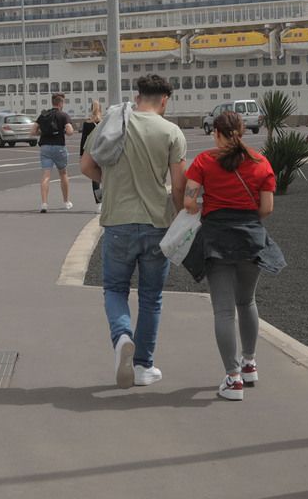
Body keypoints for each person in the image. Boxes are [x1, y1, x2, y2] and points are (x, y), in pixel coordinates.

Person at [81, 74, 187, 389]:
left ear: (137, 95)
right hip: (157, 223)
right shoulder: (171, 132)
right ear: (164, 100)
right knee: (151, 297)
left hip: (117, 223)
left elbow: (87, 166)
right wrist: (180, 215)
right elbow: (179, 184)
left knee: (115, 289)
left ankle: (122, 335)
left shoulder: (112, 123)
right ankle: (143, 366)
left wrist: (111, 182)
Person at [182, 110, 282, 402]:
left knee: (224, 311)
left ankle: (233, 377)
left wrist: (205, 205)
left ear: (216, 133)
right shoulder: (261, 163)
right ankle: (250, 364)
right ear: (243, 130)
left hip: (216, 241)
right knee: (247, 300)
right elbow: (267, 209)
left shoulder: (203, 162)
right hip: (251, 239)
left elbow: (189, 201)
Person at [32, 93, 75, 212]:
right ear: (61, 103)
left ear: (52, 102)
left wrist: (44, 133)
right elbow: (70, 131)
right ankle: (66, 202)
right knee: (63, 174)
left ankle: (44, 204)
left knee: (46, 176)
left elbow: (33, 131)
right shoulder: (63, 115)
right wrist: (64, 131)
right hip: (59, 147)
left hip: (45, 147)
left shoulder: (43, 115)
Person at [79, 100, 104, 212]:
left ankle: (99, 203)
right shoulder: (104, 122)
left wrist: (81, 155)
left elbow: (83, 140)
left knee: (95, 179)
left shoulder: (87, 123)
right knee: (107, 176)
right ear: (101, 109)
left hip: (92, 152)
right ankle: (108, 201)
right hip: (103, 151)